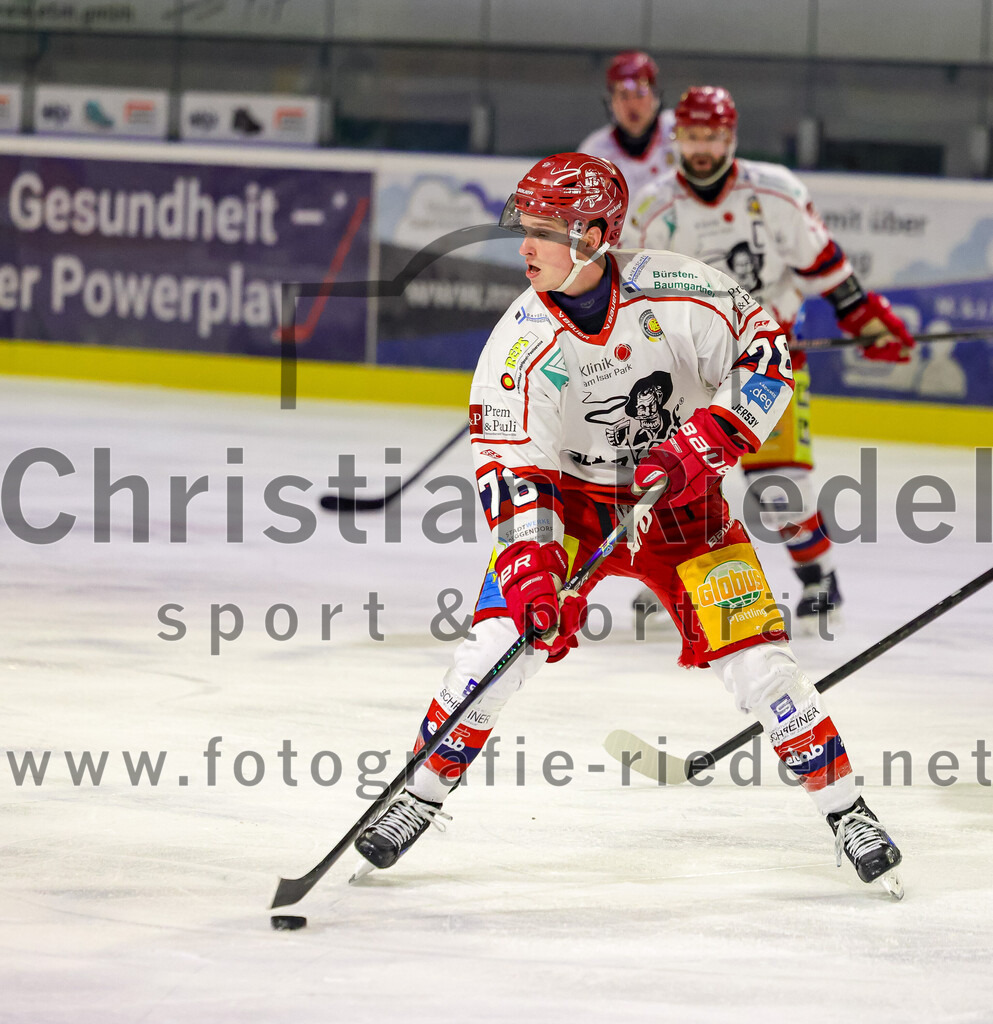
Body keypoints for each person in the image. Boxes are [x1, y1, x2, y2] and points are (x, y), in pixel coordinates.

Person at [353, 153, 903, 897]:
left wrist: (709, 439)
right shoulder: (515, 349)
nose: (524, 247)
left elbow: (766, 356)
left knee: (761, 666)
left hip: (686, 510)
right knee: (495, 650)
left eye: (543, 231)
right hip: (572, 507)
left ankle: (848, 813)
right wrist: (530, 568)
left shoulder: (681, 290)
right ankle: (416, 798)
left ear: (591, 235)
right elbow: (513, 477)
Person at [627, 86, 915, 630]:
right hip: (690, 367)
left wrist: (868, 323)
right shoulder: (652, 207)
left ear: (731, 137)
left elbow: (828, 270)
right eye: (691, 136)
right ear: (676, 140)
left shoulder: (777, 193)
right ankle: (670, 577)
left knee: (779, 485)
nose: (702, 148)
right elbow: (631, 293)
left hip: (769, 358)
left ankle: (818, 576)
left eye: (712, 136)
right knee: (676, 475)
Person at [577, 50, 676, 200]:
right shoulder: (594, 154)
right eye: (623, 95)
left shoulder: (678, 129)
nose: (632, 104)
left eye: (640, 93)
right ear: (611, 102)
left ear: (655, 96)